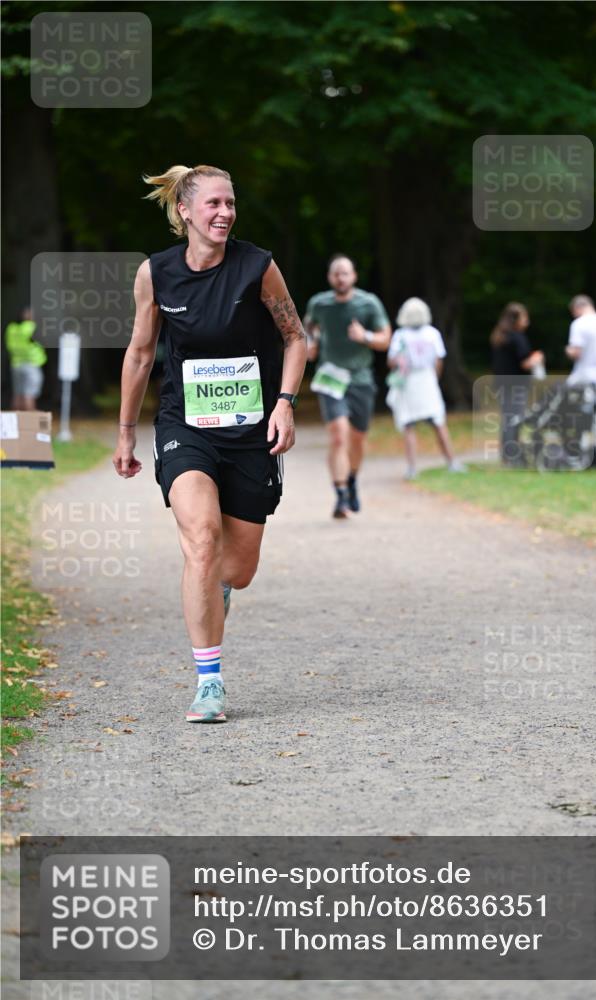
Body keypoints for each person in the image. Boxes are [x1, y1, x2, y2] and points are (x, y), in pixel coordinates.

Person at [113, 164, 307, 723]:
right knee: (202, 536)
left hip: (251, 432)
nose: (224, 213)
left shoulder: (257, 266)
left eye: (230, 203)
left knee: (236, 570)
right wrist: (126, 432)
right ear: (185, 212)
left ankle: (214, 590)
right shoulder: (157, 274)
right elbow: (141, 354)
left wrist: (285, 403)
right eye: (213, 204)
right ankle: (209, 683)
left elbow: (294, 337)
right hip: (185, 426)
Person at [304, 255, 391, 518]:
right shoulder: (320, 303)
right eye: (335, 274)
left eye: (345, 273)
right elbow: (308, 327)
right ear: (330, 277)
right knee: (338, 435)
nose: (340, 278)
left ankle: (352, 479)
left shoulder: (368, 303)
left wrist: (364, 336)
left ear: (354, 276)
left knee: (357, 438)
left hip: (360, 379)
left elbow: (386, 340)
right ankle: (341, 495)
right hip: (331, 377)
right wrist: (311, 343)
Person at [386, 297, 465, 479]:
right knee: (438, 422)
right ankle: (452, 462)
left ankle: (412, 468)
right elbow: (439, 360)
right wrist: (434, 379)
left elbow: (392, 361)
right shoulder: (432, 334)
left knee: (408, 425)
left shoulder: (401, 335)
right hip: (427, 380)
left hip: (409, 381)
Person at [490, 302, 545, 466]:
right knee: (514, 419)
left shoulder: (499, 335)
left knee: (507, 419)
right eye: (524, 317)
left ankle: (506, 454)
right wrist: (537, 358)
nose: (527, 321)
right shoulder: (517, 337)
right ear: (516, 319)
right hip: (516, 385)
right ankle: (511, 456)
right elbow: (524, 363)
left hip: (502, 384)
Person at [565, 295, 596, 451]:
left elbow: (576, 352)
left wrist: (568, 351)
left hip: (583, 376)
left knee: (582, 411)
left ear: (577, 308)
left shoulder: (579, 324)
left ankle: (583, 446)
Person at [4, 307, 47, 410]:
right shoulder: (31, 327)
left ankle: (14, 421)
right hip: (31, 364)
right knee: (29, 394)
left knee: (17, 394)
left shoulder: (12, 328)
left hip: (16, 364)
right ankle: (31, 421)